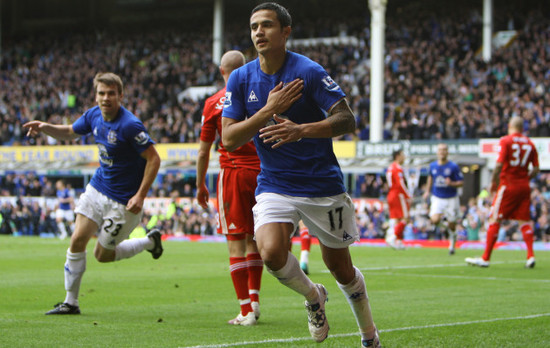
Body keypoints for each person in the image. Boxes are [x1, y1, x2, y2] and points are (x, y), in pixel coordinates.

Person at [221, 3, 380, 347]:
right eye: (254, 27)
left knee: (341, 268)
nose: (259, 32)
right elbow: (229, 139)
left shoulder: (307, 71)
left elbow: (346, 119)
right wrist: (268, 110)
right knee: (271, 252)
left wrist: (302, 130)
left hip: (322, 185)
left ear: (286, 32)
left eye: (267, 25)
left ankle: (369, 336)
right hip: (275, 183)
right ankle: (313, 296)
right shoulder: (241, 78)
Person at [23, 72, 163, 315]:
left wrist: (140, 195)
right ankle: (70, 302)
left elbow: (154, 158)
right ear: (95, 95)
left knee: (102, 255)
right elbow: (70, 131)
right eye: (101, 93)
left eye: (111, 93)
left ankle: (150, 242)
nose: (105, 98)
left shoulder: (129, 125)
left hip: (123, 202)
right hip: (98, 188)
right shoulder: (93, 115)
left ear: (120, 95)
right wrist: (45, 128)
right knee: (77, 239)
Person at [196, 50, 263, 326]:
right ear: (245, 69)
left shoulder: (214, 102)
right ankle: (256, 302)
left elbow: (203, 151)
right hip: (262, 174)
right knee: (254, 241)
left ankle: (245, 311)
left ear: (222, 72)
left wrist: (200, 184)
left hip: (233, 174)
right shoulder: (261, 95)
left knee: (236, 242)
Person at [466, 116, 539, 268]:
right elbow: (536, 169)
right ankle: (530, 256)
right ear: (522, 128)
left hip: (508, 185)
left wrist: (493, 183)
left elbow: (499, 165)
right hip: (524, 187)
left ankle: (485, 258)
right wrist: (525, 178)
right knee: (524, 221)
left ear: (509, 126)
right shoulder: (530, 144)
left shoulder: (505, 141)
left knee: (494, 219)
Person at [423, 143, 464, 255]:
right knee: (434, 220)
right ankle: (446, 229)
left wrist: (452, 183)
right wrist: (427, 191)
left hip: (451, 198)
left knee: (452, 223)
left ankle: (452, 244)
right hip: (437, 197)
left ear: (447, 152)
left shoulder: (453, 167)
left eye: (444, 150)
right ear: (437, 152)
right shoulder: (432, 166)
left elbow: (461, 182)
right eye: (440, 150)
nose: (442, 152)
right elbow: (430, 178)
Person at [385, 149, 412, 250]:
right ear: (398, 156)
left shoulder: (390, 167)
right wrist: (408, 195)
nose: (404, 157)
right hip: (398, 194)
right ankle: (392, 237)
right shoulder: (397, 168)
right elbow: (400, 183)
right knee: (406, 218)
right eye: (403, 155)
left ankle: (399, 242)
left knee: (396, 219)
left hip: (391, 194)